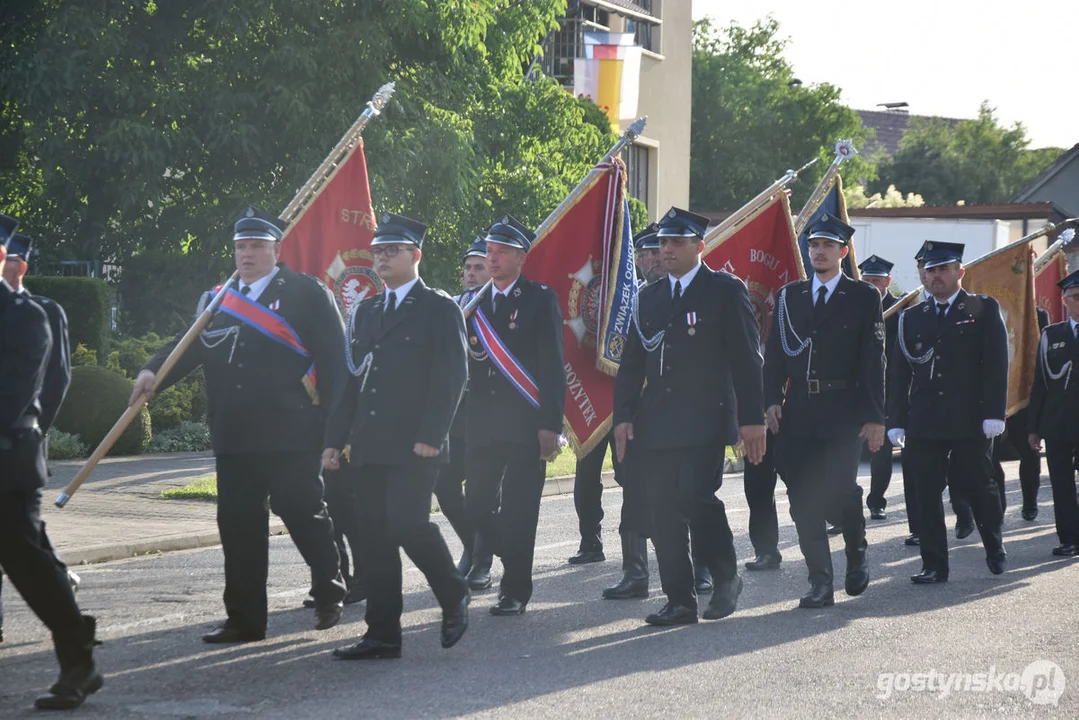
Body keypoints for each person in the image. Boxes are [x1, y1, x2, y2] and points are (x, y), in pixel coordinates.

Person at [132, 206, 347, 641]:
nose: (246, 255)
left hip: (293, 431)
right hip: (234, 432)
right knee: (238, 525)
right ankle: (245, 620)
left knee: (300, 510)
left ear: (276, 249)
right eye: (240, 247)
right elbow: (187, 346)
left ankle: (330, 585)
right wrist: (154, 371)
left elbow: (336, 366)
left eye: (256, 246)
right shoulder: (219, 298)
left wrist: (336, 432)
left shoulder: (307, 293)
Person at [324, 213, 470, 659]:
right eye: (378, 252)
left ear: (416, 255)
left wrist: (432, 434)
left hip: (415, 444)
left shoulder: (439, 308)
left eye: (392, 251)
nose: (382, 258)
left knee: (408, 524)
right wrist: (334, 439)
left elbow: (452, 377)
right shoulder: (365, 311)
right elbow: (350, 382)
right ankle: (383, 633)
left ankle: (453, 593)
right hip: (368, 443)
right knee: (374, 537)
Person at [614, 207, 767, 626]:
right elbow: (631, 364)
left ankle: (725, 576)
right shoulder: (649, 297)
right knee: (662, 508)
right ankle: (679, 600)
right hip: (658, 423)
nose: (666, 249)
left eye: (676, 242)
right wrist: (623, 416)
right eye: (662, 242)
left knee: (695, 498)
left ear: (699, 246)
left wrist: (752, 419)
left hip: (705, 419)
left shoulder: (723, 290)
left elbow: (747, 361)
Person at [0, 214, 102, 710]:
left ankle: (77, 657)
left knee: (28, 563)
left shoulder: (25, 316)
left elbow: (15, 394)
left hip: (6, 460)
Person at [764, 213, 885, 609]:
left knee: (841, 492)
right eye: (814, 245)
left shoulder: (864, 297)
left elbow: (873, 360)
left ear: (843, 252)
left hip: (843, 411)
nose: (819, 251)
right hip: (799, 409)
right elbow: (776, 355)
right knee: (802, 499)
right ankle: (820, 582)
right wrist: (769, 401)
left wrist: (873, 417)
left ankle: (857, 551)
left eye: (828, 246)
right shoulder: (789, 296)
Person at [889, 241, 1009, 583]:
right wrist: (896, 420)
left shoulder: (982, 308)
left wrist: (994, 412)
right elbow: (898, 375)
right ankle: (934, 564)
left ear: (961, 271)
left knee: (979, 486)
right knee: (925, 494)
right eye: (930, 270)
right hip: (925, 419)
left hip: (970, 417)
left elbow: (996, 365)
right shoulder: (910, 317)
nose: (936, 276)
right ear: (923, 276)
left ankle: (994, 546)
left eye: (943, 269)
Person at [464, 216, 566, 616]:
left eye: (502, 251)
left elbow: (552, 368)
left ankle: (515, 589)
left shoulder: (540, 299)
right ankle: (511, 553)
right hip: (482, 424)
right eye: (489, 250)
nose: (492, 258)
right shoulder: (472, 302)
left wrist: (550, 426)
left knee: (521, 510)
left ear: (522, 256)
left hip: (526, 424)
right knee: (475, 504)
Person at [1, 232, 79, 644]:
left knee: (23, 546)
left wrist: (34, 432)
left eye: (13, 259)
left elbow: (55, 382)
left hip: (16, 442)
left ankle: (70, 629)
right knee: (24, 541)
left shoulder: (39, 311)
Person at [441, 237, 493, 589]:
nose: (471, 274)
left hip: (488, 415)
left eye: (479, 268)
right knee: (443, 487)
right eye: (468, 269)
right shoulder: (451, 308)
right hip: (454, 415)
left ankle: (482, 562)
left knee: (482, 492)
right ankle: (470, 543)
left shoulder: (498, 309)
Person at [1027, 269, 1079, 557]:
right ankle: (1069, 538)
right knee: (1061, 485)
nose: (1078, 302)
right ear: (1064, 300)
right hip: (1057, 422)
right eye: (1074, 297)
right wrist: (1033, 427)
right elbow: (1041, 385)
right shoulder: (1051, 335)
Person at [989, 306, 1050, 522]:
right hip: (993, 395)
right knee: (990, 456)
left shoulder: (1037, 315)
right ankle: (998, 507)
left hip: (1024, 395)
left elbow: (1041, 360)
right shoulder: (987, 309)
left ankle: (1030, 503)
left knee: (1029, 451)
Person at [859, 255, 898, 521]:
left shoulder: (900, 309)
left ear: (887, 282)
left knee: (880, 451)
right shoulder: (851, 304)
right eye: (867, 280)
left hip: (886, 389)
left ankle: (876, 501)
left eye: (876, 280)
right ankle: (841, 510)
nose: (871, 285)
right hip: (852, 389)